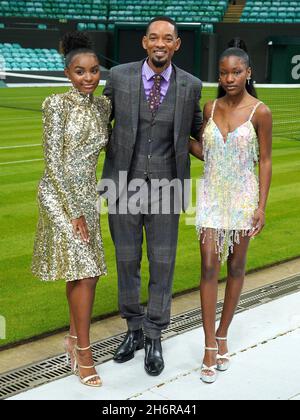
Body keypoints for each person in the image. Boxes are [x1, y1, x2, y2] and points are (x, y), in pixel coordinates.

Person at [99, 16, 202, 376]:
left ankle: (155, 334)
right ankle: (133, 330)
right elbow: (99, 125)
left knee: (162, 263)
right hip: (121, 185)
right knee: (127, 261)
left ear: (177, 44)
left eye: (168, 38)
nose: (160, 43)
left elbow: (197, 135)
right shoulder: (120, 77)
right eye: (154, 37)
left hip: (168, 187)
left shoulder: (191, 85)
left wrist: (231, 145)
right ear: (144, 42)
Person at [31, 32, 111, 387]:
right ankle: (84, 352)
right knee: (88, 271)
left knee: (79, 272)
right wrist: (74, 209)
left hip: (88, 197)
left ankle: (72, 339)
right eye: (80, 72)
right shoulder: (55, 104)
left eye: (94, 71)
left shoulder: (104, 106)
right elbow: (53, 163)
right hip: (59, 196)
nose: (89, 77)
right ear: (68, 73)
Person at [189, 42, 272, 383]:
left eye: (236, 72)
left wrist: (261, 207)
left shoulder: (260, 112)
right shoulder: (210, 108)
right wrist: (179, 137)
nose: (229, 78)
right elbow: (207, 153)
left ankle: (223, 332)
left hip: (242, 198)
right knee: (209, 265)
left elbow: (265, 160)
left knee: (235, 266)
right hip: (210, 196)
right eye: (223, 72)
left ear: (248, 73)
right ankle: (210, 345)